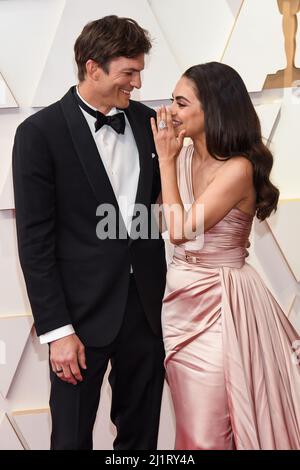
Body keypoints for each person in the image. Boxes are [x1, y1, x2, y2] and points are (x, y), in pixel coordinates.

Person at [12, 15, 166, 450]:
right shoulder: (38, 134)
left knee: (141, 439)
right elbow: (35, 242)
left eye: (139, 72)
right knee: (71, 440)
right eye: (128, 73)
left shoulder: (147, 123)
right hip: (77, 320)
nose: (136, 83)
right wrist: (57, 331)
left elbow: (154, 210)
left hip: (144, 314)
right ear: (93, 67)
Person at [151, 61, 300, 450]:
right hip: (179, 306)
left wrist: (164, 161)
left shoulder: (238, 169)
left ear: (212, 109)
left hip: (223, 306)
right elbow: (159, 220)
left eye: (181, 103)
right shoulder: (183, 158)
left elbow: (182, 230)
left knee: (207, 433)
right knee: (191, 425)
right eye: (172, 101)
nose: (170, 112)